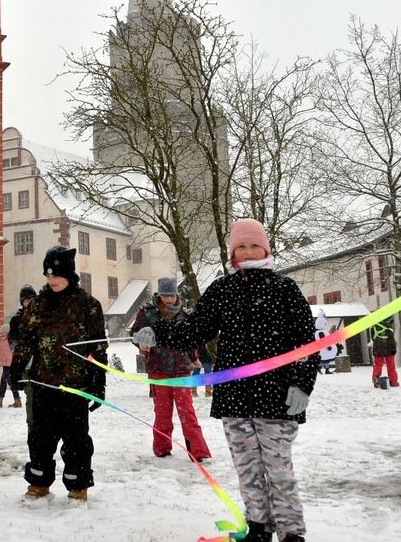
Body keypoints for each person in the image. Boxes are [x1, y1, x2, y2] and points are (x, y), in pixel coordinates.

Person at [133, 219, 318, 542]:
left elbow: (306, 341)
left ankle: (291, 533)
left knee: (278, 471)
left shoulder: (284, 289)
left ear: (265, 249)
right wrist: (158, 331)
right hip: (235, 396)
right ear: (233, 252)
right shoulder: (222, 290)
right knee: (247, 469)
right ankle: (258, 527)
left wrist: (302, 383)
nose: (248, 252)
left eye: (253, 246)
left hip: (277, 396)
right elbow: (194, 330)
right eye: (241, 247)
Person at [10, 245, 107, 502]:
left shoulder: (88, 306)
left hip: (75, 387)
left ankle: (77, 486)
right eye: (48, 275)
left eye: (56, 275)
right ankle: (39, 482)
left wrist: (99, 382)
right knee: (40, 437)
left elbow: (98, 347)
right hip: (43, 383)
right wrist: (16, 368)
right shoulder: (38, 305)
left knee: (76, 440)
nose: (51, 280)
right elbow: (25, 340)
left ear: (69, 274)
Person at [130, 277, 212, 460]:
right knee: (162, 413)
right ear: (159, 295)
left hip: (182, 370)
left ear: (177, 295)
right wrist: (142, 342)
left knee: (187, 412)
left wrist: (194, 358)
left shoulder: (185, 315)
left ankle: (197, 451)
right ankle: (162, 448)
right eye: (165, 295)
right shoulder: (147, 313)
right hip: (158, 369)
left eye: (172, 295)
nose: (169, 299)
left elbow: (192, 339)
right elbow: (134, 334)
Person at [9, 284, 38, 423]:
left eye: (32, 299)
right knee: (31, 396)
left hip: (40, 364)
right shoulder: (16, 319)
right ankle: (32, 425)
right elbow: (13, 340)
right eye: (26, 300)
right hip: (25, 365)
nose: (29, 302)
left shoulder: (41, 316)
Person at [0, 321, 22, 409]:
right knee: (11, 382)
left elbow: (13, 352)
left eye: (3, 332)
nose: (2, 334)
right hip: (5, 364)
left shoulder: (10, 341)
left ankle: (0, 399)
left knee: (4, 381)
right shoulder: (3, 341)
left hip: (9, 364)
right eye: (1, 333)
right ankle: (17, 399)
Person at [370, 320, 399, 387]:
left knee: (378, 365)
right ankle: (393, 382)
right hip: (388, 347)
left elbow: (373, 337)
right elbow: (391, 338)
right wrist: (393, 348)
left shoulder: (373, 326)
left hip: (377, 347)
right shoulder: (388, 326)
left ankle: (376, 378)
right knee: (391, 366)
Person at [315, 310, 338, 375]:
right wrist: (329, 347)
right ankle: (320, 368)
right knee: (324, 360)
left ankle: (325, 370)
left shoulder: (320, 332)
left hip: (324, 349)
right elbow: (323, 340)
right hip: (325, 349)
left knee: (326, 360)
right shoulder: (321, 332)